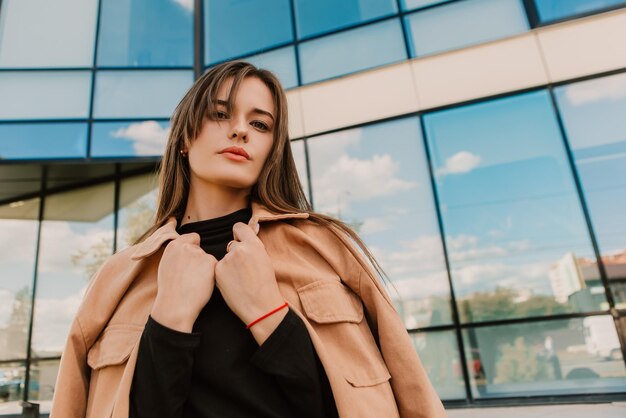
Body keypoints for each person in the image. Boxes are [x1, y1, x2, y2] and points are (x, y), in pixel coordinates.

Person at [49, 60, 447, 418]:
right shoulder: (119, 277)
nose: (240, 129)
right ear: (185, 139)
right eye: (220, 114)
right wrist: (169, 318)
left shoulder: (325, 248)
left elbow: (386, 397)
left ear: (272, 149)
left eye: (260, 124)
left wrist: (267, 313)